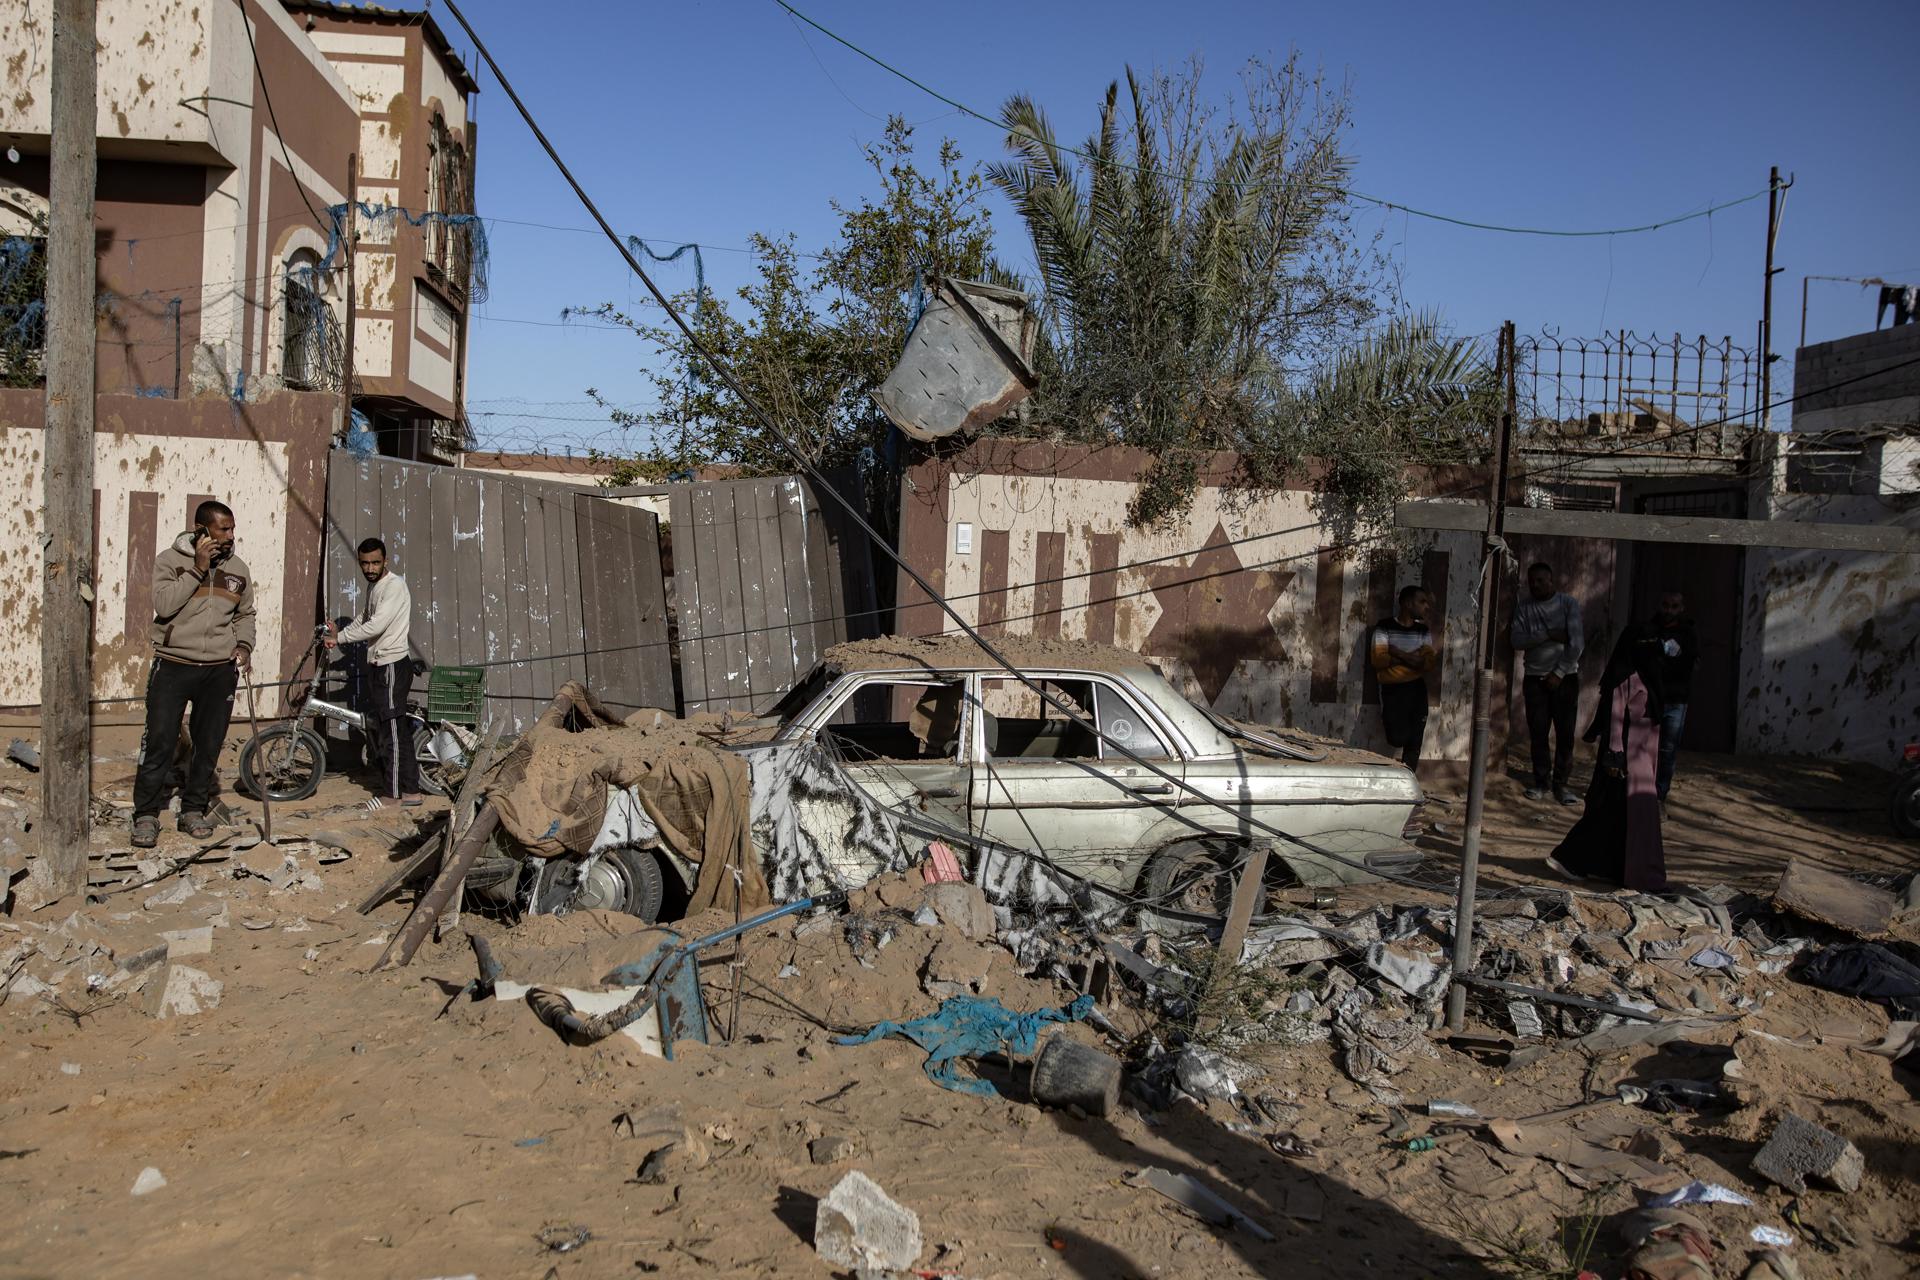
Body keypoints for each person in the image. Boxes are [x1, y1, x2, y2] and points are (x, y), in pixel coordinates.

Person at [131, 500, 256, 848]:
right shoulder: (170, 561)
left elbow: (245, 615)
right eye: (223, 529)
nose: (231, 536)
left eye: (232, 528)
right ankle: (145, 815)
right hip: (174, 665)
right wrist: (198, 569)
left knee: (208, 744)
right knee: (159, 742)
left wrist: (244, 646)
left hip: (219, 671)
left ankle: (193, 810)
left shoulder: (238, 569)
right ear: (202, 530)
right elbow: (164, 605)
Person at [1546, 625, 1667, 891]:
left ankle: (1617, 869)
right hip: (1624, 763)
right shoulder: (1625, 678)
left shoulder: (1649, 676)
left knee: (1625, 819)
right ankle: (1569, 858)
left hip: (1642, 761)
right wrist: (1615, 758)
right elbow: (1615, 719)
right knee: (1607, 813)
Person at [326, 537, 420, 807]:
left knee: (391, 733)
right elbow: (364, 618)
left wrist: (340, 640)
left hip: (391, 665)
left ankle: (392, 795)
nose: (369, 567)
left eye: (375, 562)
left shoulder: (394, 587)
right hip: (379, 665)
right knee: (394, 730)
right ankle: (412, 791)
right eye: (365, 563)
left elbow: (376, 625)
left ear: (385, 561)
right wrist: (338, 633)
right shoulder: (375, 586)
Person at [1510, 562, 1584, 805]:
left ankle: (1561, 785)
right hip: (1535, 680)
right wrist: (1548, 634)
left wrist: (1559, 673)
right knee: (1538, 733)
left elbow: (1576, 644)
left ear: (1551, 581)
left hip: (1565, 680)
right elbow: (1516, 640)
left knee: (1565, 735)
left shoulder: (1567, 605)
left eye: (1541, 580)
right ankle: (1541, 782)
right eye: (1532, 581)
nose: (1536, 585)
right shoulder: (1524, 607)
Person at [1369, 585, 1438, 771]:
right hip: (1393, 690)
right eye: (1422, 602)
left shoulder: (1422, 631)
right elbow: (1378, 659)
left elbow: (1429, 663)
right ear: (1408, 603)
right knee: (1397, 738)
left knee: (1415, 743)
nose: (1426, 607)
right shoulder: (1385, 627)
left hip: (1417, 689)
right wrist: (1414, 658)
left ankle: (1409, 780)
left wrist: (1397, 652)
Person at [1650, 591, 1696, 802]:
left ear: (1681, 608)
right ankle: (1643, 793)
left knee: (1667, 751)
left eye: (1674, 606)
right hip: (1651, 698)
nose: (1669, 610)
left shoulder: (1688, 634)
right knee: (1646, 748)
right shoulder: (1650, 629)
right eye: (1665, 605)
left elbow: (1689, 665)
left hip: (1676, 700)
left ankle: (1659, 796)